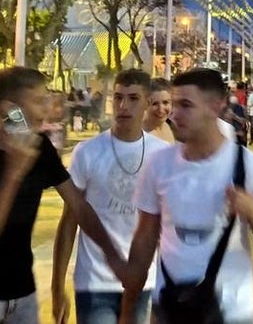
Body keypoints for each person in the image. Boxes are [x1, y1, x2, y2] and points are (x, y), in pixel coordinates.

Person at [0, 67, 120, 323]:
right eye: (39, 101)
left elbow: (78, 206)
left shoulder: (41, 148)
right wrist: (13, 173)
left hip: (22, 291)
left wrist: (116, 257)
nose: (47, 110)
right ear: (9, 110)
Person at [122, 68, 253, 324]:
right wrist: (129, 309)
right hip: (168, 307)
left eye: (186, 105)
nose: (174, 114)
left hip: (231, 311)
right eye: (174, 104)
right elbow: (144, 239)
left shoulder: (249, 168)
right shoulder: (158, 165)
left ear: (215, 106)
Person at [52, 69, 171, 324]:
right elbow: (69, 222)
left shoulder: (162, 155)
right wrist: (56, 287)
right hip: (95, 282)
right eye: (118, 97)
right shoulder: (87, 152)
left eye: (133, 98)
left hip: (143, 282)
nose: (123, 105)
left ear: (147, 104)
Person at [143, 78, 177, 144]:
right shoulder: (140, 135)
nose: (160, 109)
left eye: (165, 102)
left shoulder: (169, 126)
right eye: (154, 103)